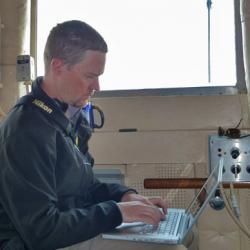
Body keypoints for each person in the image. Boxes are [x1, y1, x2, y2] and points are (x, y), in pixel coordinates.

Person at [0, 20, 194, 250]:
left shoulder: (67, 118)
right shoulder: (26, 129)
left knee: (186, 232)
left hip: (71, 227)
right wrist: (117, 213)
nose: (97, 86)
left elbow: (88, 187)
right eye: (90, 76)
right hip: (40, 241)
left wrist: (125, 197)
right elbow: (42, 230)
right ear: (58, 66)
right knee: (172, 249)